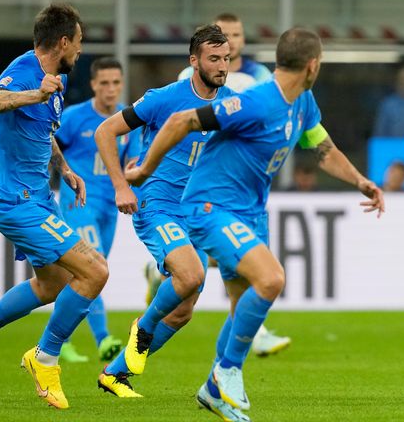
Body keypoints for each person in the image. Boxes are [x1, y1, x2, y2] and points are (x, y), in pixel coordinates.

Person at [125, 27, 385, 421]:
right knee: (271, 279)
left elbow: (323, 149)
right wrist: (144, 169)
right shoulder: (255, 103)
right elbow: (180, 121)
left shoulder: (303, 102)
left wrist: (361, 182)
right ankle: (223, 374)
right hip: (209, 207)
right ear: (313, 65)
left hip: (248, 211)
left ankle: (210, 391)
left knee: (239, 305)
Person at [0, 4, 109, 410]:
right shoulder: (24, 73)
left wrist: (65, 169)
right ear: (64, 42)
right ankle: (45, 358)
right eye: (80, 43)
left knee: (51, 284)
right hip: (16, 202)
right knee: (95, 270)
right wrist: (35, 92)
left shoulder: (55, 82)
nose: (81, 53)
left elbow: (42, 128)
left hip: (40, 197)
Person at [94, 24, 233, 401]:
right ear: (194, 62)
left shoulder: (233, 104)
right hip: (158, 204)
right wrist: (121, 186)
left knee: (184, 310)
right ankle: (142, 328)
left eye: (226, 58)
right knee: (190, 276)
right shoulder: (164, 98)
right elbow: (106, 132)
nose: (222, 66)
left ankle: (115, 373)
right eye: (214, 59)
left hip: (197, 214)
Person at [178, 12, 292, 357]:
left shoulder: (258, 78)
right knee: (191, 284)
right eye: (225, 35)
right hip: (199, 183)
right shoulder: (190, 76)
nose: (232, 40)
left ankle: (231, 361)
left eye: (237, 34)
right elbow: (178, 120)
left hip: (242, 189)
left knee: (246, 273)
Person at [53, 57, 141, 363]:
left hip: (110, 206)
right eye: (104, 82)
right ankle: (104, 340)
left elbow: (134, 164)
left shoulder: (130, 120)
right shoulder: (75, 118)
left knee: (86, 275)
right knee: (95, 266)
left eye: (116, 82)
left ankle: (59, 340)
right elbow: (49, 146)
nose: (110, 89)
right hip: (77, 204)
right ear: (93, 85)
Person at [178, 12, 271, 93]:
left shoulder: (261, 74)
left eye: (236, 35)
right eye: (224, 35)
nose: (230, 41)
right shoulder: (190, 74)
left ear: (243, 40)